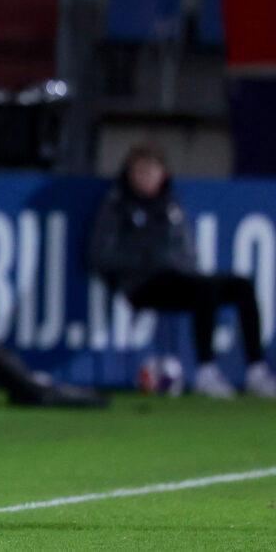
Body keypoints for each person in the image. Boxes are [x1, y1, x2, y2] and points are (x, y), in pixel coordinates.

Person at [89, 141, 276, 399]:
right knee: (203, 289)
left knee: (241, 285)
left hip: (178, 278)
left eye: (149, 171)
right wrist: (146, 259)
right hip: (142, 284)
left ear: (162, 173)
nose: (143, 178)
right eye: (138, 172)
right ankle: (206, 371)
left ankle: (257, 370)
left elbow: (187, 251)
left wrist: (181, 266)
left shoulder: (170, 204)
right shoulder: (117, 204)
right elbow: (101, 255)